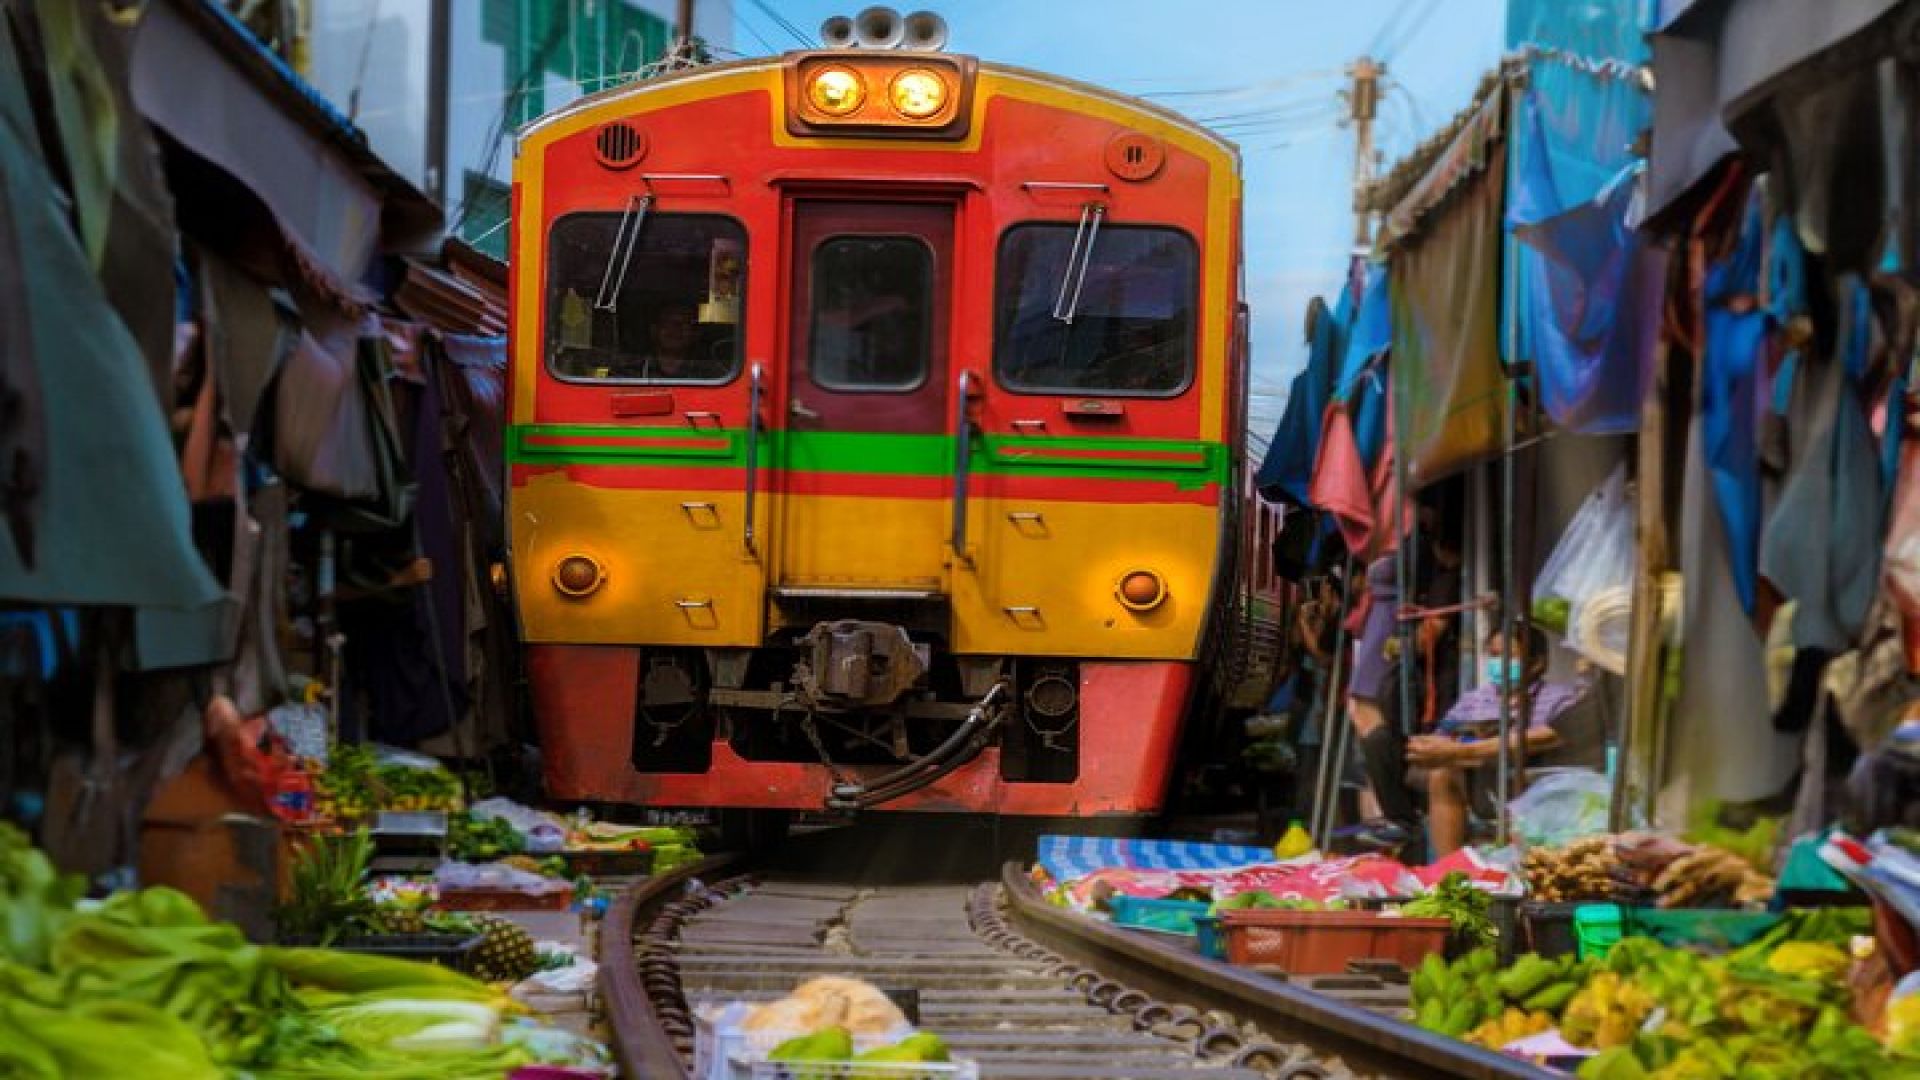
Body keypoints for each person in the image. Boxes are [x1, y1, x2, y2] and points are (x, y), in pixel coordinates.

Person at [1408, 622, 1607, 858]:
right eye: (1494, 655)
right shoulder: (1474, 701)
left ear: (1536, 663)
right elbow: (1441, 741)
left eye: (1509, 656)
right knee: (1442, 773)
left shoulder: (1560, 699)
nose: (1499, 664)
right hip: (1485, 783)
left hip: (1535, 782)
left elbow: (1554, 737)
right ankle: (1449, 866)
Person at [613, 303, 714, 380]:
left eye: (684, 324)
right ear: (654, 330)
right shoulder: (630, 370)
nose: (675, 330)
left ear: (695, 334)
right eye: (667, 323)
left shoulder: (710, 371)